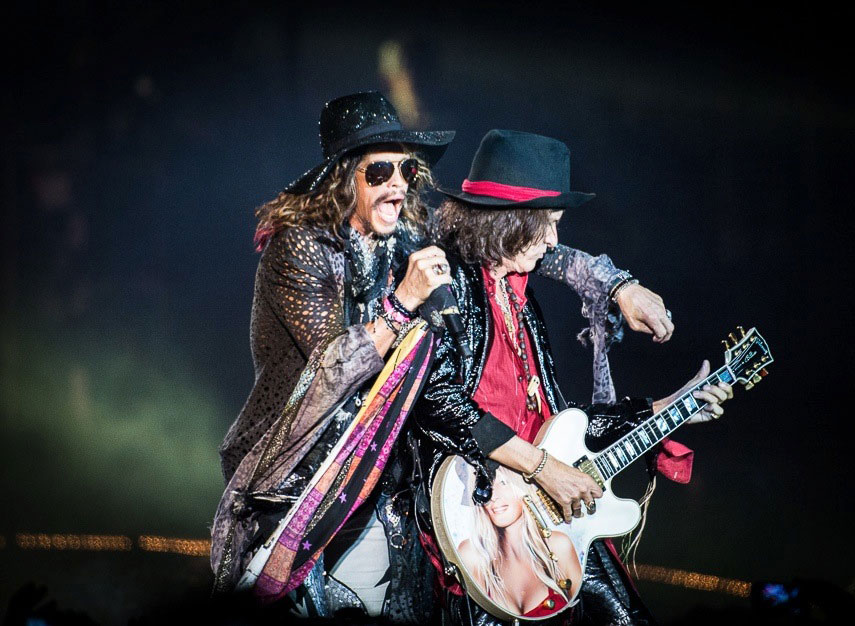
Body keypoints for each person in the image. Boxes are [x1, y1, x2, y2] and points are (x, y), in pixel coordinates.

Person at [210, 92, 677, 622]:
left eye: (406, 170)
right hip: (302, 474)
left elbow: (506, 239)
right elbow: (330, 370)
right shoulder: (299, 249)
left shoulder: (404, 236)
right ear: (342, 179)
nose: (397, 184)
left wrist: (615, 285)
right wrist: (401, 304)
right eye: (379, 171)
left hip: (382, 473)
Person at [409, 129, 733, 625]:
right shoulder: (446, 282)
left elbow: (563, 424)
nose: (554, 241)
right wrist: (542, 468)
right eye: (549, 225)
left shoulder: (519, 297)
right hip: (483, 521)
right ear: (510, 222)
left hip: (551, 508)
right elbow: (436, 400)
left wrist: (666, 409)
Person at [457, 465, 581, 618]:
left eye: (504, 483)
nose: (493, 496)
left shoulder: (558, 546)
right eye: (485, 486)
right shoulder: (473, 556)